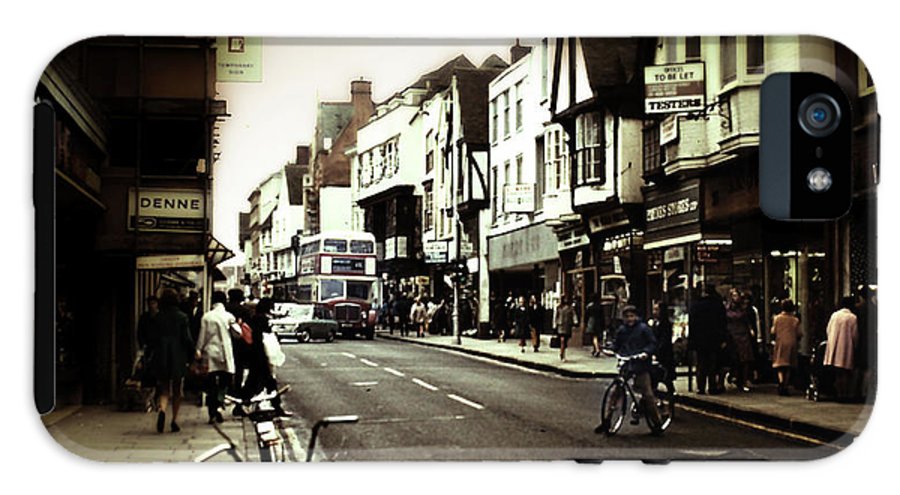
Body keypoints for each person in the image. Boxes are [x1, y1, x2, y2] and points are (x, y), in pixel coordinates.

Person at [607, 305, 663, 433]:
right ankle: (607, 420)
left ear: (636, 317)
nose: (629, 319)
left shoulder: (643, 329)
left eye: (632, 316)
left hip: (641, 365)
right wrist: (610, 350)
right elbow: (617, 344)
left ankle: (657, 423)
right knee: (615, 392)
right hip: (627, 363)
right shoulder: (622, 330)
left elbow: (653, 343)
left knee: (647, 394)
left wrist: (646, 353)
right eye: (627, 317)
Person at [151, 289, 194, 433]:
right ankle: (174, 420)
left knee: (164, 388)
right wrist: (193, 353)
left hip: (162, 356)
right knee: (177, 390)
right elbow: (187, 339)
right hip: (177, 356)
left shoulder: (158, 317)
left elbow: (153, 339)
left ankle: (162, 410)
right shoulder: (182, 317)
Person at [240, 297, 290, 417]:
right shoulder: (262, 320)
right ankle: (276, 407)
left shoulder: (254, 319)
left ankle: (243, 404)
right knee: (267, 381)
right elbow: (265, 339)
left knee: (256, 381)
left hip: (255, 355)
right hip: (261, 355)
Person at [195, 291, 239, 423]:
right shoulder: (229, 316)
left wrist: (198, 349)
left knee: (211, 383)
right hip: (225, 353)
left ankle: (212, 412)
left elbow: (202, 336)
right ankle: (220, 404)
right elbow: (238, 334)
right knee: (224, 381)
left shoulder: (206, 317)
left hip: (210, 353)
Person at [688, 285, 728, 395]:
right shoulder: (717, 305)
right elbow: (723, 323)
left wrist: (691, 340)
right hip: (714, 339)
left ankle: (700, 387)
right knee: (712, 364)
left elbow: (692, 324)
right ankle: (712, 386)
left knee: (701, 364)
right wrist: (723, 339)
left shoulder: (695, 306)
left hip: (700, 340)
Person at [824, 296, 859, 402]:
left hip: (834, 346)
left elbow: (828, 329)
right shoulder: (852, 317)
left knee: (838, 372)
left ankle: (839, 394)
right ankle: (845, 394)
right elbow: (855, 334)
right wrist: (855, 345)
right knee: (845, 372)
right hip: (846, 346)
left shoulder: (834, 315)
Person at [725, 288, 756, 392]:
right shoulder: (727, 308)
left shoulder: (743, 309)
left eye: (737, 295)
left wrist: (751, 330)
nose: (736, 298)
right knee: (735, 359)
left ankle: (743, 380)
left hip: (743, 334)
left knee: (745, 359)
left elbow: (747, 321)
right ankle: (734, 376)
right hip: (732, 334)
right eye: (734, 295)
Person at [771, 299, 802, 396]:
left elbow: (773, 331)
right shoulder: (795, 320)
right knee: (788, 364)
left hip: (780, 342)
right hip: (792, 343)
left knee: (780, 364)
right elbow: (799, 333)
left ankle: (781, 382)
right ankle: (786, 384)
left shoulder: (777, 318)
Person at [650, 302, 676, 384]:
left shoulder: (666, 324)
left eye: (657, 310)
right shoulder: (654, 323)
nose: (654, 312)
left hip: (664, 355)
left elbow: (664, 341)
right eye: (654, 309)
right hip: (657, 353)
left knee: (666, 376)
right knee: (656, 376)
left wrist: (657, 352)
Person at [555, 295, 576, 362]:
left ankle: (562, 352)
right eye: (564, 299)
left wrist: (575, 321)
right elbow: (556, 316)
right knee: (562, 340)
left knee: (565, 341)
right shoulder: (559, 307)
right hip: (561, 325)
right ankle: (562, 354)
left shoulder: (570, 308)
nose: (565, 300)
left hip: (567, 326)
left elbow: (574, 315)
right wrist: (554, 324)